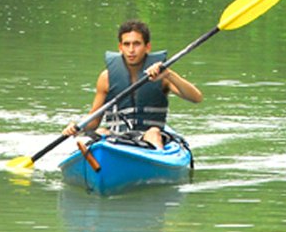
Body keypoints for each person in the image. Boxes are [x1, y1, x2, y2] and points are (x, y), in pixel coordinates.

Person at [63, 19, 202, 148]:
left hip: (148, 138)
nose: (131, 50)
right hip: (117, 136)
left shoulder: (163, 75)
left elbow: (196, 98)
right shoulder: (106, 77)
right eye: (126, 44)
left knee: (153, 132)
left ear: (147, 47)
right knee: (101, 131)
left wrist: (170, 74)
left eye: (136, 44)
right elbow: (94, 118)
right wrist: (78, 126)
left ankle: (155, 162)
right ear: (120, 47)